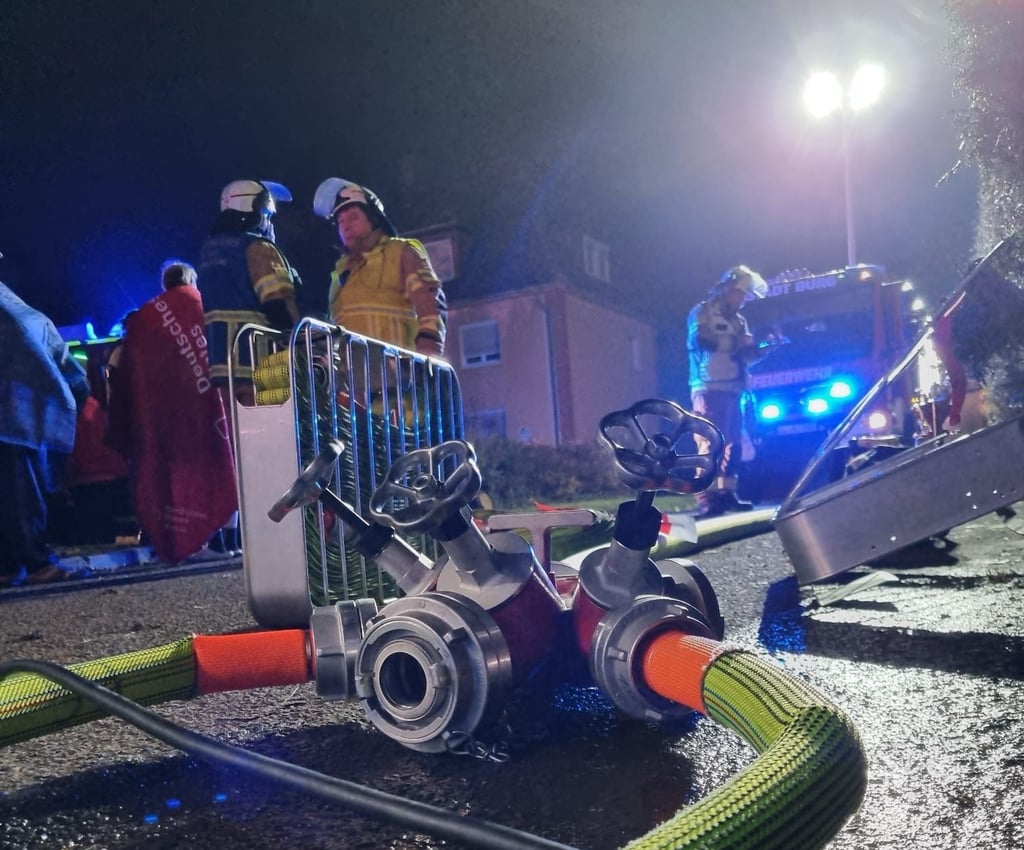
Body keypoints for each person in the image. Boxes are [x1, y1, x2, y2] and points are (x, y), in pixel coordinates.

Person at [106, 260, 238, 564]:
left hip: (164, 417)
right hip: (210, 407)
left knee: (178, 480)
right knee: (223, 468)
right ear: (192, 280)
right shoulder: (205, 304)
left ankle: (190, 542)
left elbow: (130, 371)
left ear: (164, 284)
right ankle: (224, 541)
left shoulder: (147, 316)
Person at [0, 280, 91, 585]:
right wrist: (77, 384)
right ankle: (35, 562)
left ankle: (9, 565)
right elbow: (45, 338)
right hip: (16, 413)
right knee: (20, 491)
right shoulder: (11, 306)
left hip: (16, 409)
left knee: (12, 489)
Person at [313, 178, 446, 356]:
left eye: (353, 217)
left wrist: (428, 355)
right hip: (352, 373)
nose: (346, 227)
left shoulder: (401, 252)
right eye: (341, 221)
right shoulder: (340, 273)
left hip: (398, 370)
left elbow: (430, 303)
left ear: (373, 219)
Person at [197, 180, 301, 390]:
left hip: (221, 366)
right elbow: (277, 304)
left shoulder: (208, 251)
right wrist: (299, 348)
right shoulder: (258, 248)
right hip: (261, 363)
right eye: (267, 215)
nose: (269, 223)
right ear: (256, 210)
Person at [686, 265, 771, 517]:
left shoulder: (738, 320)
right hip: (709, 387)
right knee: (710, 442)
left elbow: (743, 355)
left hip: (734, 389)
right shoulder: (703, 312)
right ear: (727, 289)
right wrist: (735, 342)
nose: (742, 300)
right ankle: (707, 499)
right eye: (740, 293)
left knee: (733, 443)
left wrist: (761, 350)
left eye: (745, 295)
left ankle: (726, 493)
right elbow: (701, 341)